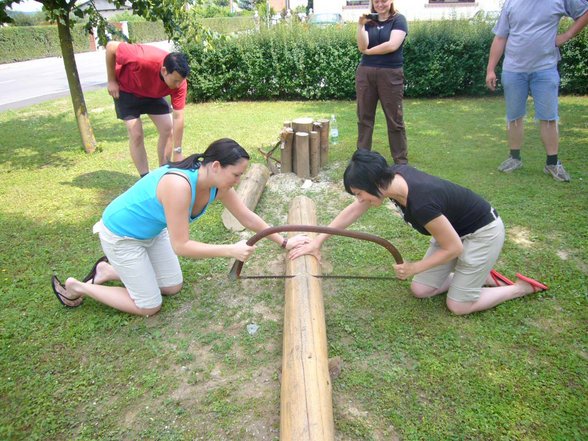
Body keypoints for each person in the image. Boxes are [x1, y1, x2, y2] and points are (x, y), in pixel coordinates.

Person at [51, 139, 309, 316]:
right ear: (216, 166)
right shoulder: (180, 186)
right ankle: (78, 286)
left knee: (173, 286)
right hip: (122, 236)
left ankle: (106, 270)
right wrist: (230, 250)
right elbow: (181, 246)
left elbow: (247, 217)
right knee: (149, 305)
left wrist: (285, 242)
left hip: (151, 233)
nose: (239, 180)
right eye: (237, 174)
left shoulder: (218, 184)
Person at [289, 149, 548, 315]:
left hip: (482, 234)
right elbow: (353, 211)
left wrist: (415, 267)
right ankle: (478, 273)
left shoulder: (422, 202)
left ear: (374, 184)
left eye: (360, 193)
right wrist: (318, 242)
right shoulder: (392, 179)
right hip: (452, 234)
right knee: (421, 290)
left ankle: (520, 288)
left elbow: (454, 248)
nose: (360, 199)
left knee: (458, 305)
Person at [485, 0, 588, 182]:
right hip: (513, 70)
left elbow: (585, 11)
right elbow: (501, 37)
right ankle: (514, 158)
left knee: (549, 117)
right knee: (514, 116)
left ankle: (552, 164)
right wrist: (490, 69)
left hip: (545, 69)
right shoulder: (511, 3)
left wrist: (567, 35)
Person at [106, 41, 191, 178]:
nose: (178, 85)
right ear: (164, 71)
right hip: (127, 90)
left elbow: (178, 117)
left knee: (167, 128)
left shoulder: (180, 83)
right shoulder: (142, 57)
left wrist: (178, 151)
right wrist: (111, 80)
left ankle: (163, 172)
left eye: (180, 81)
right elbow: (111, 47)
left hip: (152, 94)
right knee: (136, 134)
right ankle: (145, 178)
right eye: (175, 81)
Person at [356, 0, 409, 164]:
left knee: (395, 119)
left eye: (384, 1)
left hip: (390, 74)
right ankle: (362, 158)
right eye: (376, 1)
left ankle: (401, 162)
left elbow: (392, 45)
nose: (380, 4)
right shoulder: (369, 20)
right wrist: (360, 25)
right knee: (364, 117)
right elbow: (361, 45)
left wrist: (368, 52)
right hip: (366, 73)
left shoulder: (399, 20)